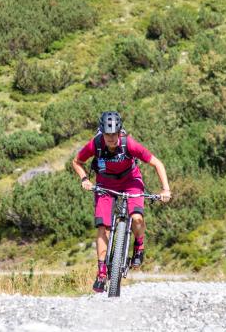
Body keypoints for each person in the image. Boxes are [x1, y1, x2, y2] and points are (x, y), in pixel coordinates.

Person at [71, 111, 171, 293]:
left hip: (131, 181)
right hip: (105, 183)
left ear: (119, 132)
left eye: (114, 134)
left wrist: (165, 190)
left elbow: (157, 163)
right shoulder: (96, 144)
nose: (111, 138)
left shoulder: (129, 144)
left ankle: (139, 245)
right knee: (103, 227)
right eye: (107, 134)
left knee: (137, 218)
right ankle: (102, 272)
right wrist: (84, 179)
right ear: (102, 133)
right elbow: (77, 161)